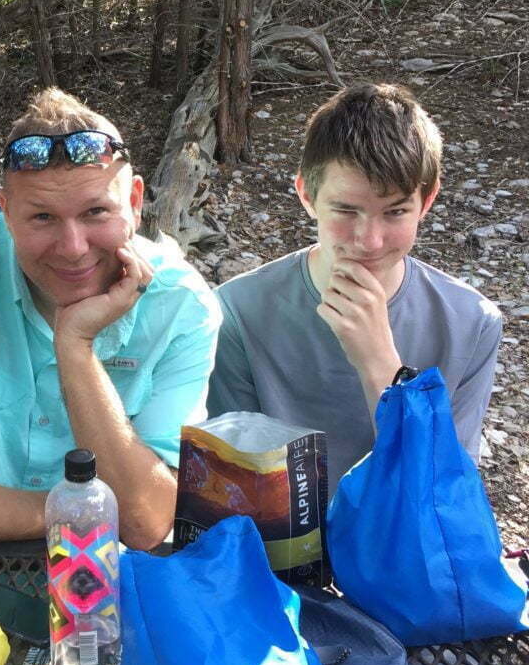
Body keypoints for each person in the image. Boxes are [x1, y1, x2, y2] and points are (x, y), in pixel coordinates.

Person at [0, 88, 220, 549]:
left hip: (112, 587)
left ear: (135, 202)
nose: (74, 247)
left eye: (96, 211)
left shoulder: (182, 305)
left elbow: (146, 521)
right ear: (5, 213)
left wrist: (75, 346)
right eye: (42, 217)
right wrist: (84, 512)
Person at [207, 82, 502, 491]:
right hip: (278, 547)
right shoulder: (237, 312)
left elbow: (444, 490)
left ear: (427, 201)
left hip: (403, 547)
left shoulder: (472, 323)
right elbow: (234, 485)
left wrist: (380, 365)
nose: (370, 240)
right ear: (307, 194)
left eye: (395, 212)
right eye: (346, 210)